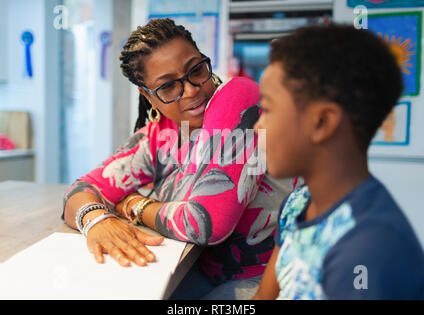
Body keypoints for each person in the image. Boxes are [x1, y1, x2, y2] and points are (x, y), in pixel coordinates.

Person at [62, 18, 291, 300]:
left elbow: (206, 223)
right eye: (168, 86)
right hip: (201, 272)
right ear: (148, 95)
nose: (192, 90)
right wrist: (97, 220)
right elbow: (81, 191)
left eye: (196, 70)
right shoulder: (158, 135)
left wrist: (132, 204)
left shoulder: (238, 97)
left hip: (269, 279)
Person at [252, 24, 424, 300]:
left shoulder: (368, 249)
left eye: (268, 109)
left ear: (322, 122)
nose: (258, 127)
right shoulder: (297, 205)